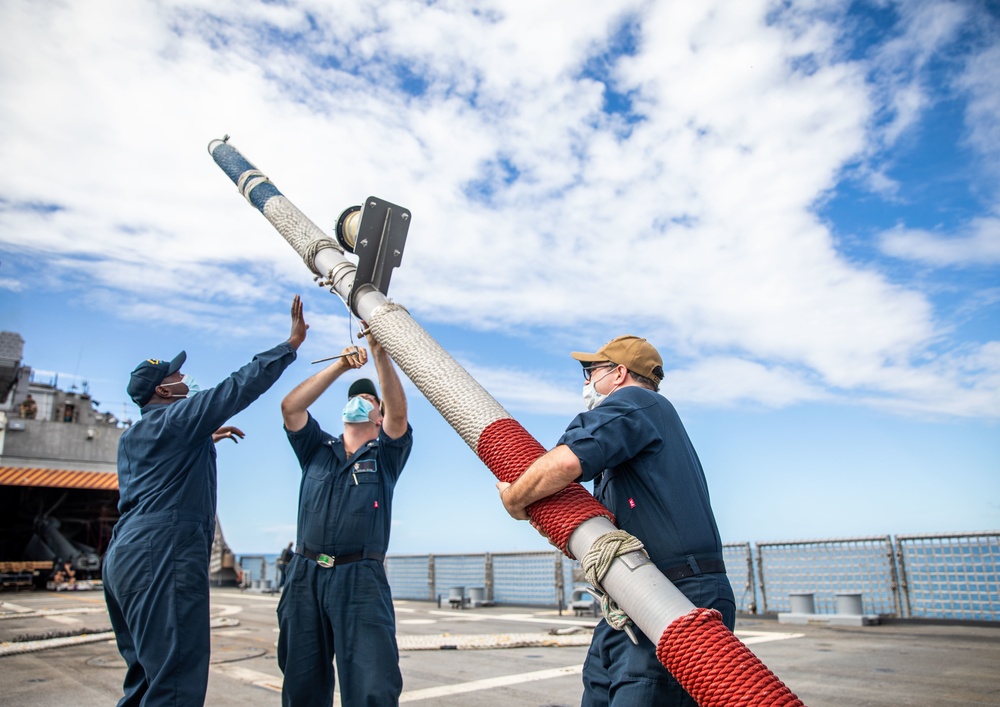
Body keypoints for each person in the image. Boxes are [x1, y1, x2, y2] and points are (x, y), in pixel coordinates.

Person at [496, 335, 735, 707]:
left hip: (673, 594)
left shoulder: (636, 401)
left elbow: (564, 462)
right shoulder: (641, 432)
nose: (586, 381)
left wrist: (514, 499)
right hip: (630, 597)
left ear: (620, 373)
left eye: (591, 371)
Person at [102, 295, 308, 707]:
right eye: (179, 375)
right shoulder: (176, 421)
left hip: (123, 557)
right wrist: (290, 346)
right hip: (162, 552)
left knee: (145, 676)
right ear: (164, 389)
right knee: (176, 679)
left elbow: (160, 470)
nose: (186, 379)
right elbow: (236, 388)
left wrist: (203, 439)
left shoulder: (134, 437)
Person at [277, 332, 411, 707]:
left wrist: (380, 355)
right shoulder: (316, 448)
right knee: (301, 685)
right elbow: (291, 408)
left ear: (378, 414)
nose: (361, 400)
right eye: (355, 396)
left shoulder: (385, 456)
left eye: (369, 398)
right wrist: (340, 365)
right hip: (305, 575)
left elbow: (398, 417)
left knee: (373, 686)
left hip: (360, 581)